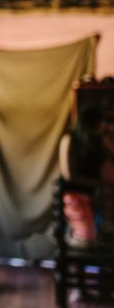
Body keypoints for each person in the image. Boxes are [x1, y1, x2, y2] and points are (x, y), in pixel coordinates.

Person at [59, 103, 114, 246]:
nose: (104, 126)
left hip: (96, 195)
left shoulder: (97, 141)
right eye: (101, 122)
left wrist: (108, 139)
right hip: (76, 195)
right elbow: (69, 175)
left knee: (103, 235)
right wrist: (99, 184)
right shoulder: (70, 139)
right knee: (85, 238)